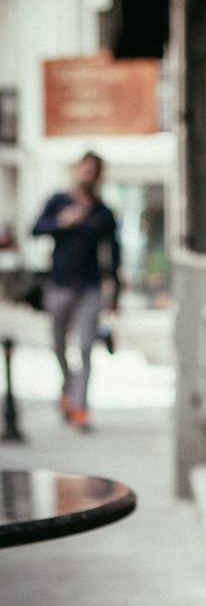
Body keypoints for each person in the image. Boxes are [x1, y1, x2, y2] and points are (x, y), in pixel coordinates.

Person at [32, 152, 120, 431]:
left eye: (94, 171)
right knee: (58, 346)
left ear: (99, 176)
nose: (88, 175)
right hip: (59, 284)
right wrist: (61, 222)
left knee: (84, 347)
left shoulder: (103, 212)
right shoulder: (58, 201)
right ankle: (67, 390)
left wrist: (114, 291)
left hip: (90, 287)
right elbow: (34, 229)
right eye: (85, 169)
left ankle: (80, 407)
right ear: (77, 170)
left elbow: (114, 253)